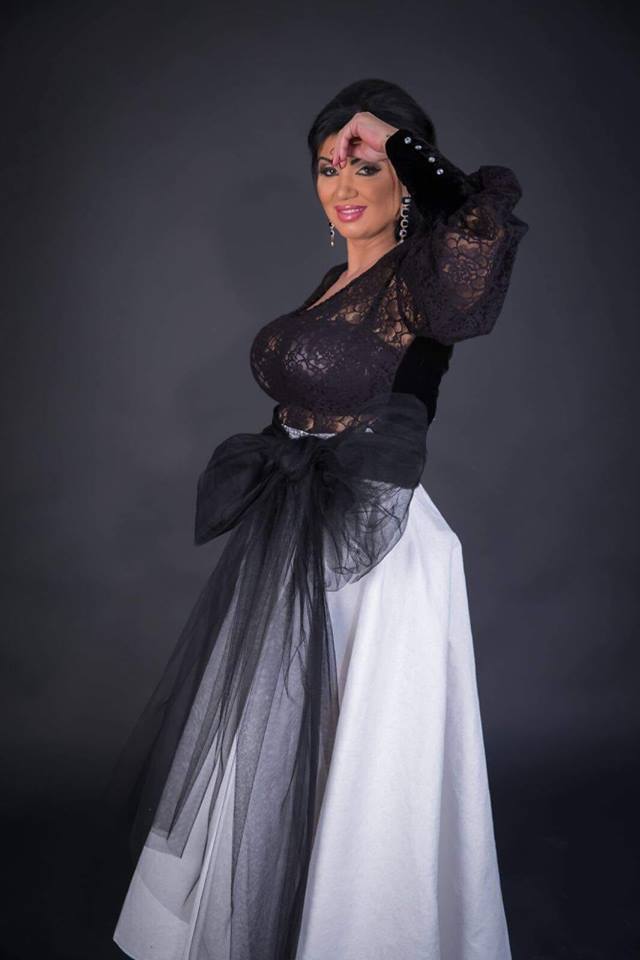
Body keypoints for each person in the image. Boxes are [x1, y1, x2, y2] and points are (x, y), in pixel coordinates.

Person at [108, 77, 529, 960]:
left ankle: (364, 932)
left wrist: (401, 141)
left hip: (375, 541)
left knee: (370, 749)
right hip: (300, 526)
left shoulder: (428, 279)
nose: (343, 183)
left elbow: (478, 228)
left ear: (405, 178)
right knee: (281, 729)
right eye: (329, 165)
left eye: (366, 164)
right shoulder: (338, 278)